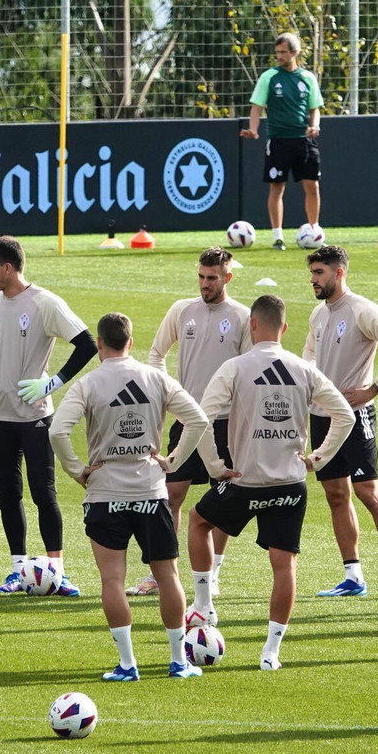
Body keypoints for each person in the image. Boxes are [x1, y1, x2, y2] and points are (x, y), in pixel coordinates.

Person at [187, 295, 353, 669]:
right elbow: (345, 416)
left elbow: (199, 419)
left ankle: (204, 606)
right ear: (285, 328)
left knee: (198, 522)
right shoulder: (303, 368)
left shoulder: (235, 367)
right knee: (284, 566)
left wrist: (214, 467)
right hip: (290, 486)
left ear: (252, 326)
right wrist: (317, 459)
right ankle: (271, 653)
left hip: (245, 482)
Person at [51, 313, 211, 682]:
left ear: (99, 344)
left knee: (112, 580)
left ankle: (127, 664)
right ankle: (177, 661)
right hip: (150, 490)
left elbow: (58, 432)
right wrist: (170, 461)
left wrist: (78, 470)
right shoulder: (156, 378)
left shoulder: (89, 383)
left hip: (105, 491)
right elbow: (199, 420)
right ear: (130, 339)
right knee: (167, 576)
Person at [0, 236, 97, 596]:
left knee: (44, 493)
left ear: (7, 267)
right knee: (8, 493)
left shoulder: (44, 303)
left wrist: (53, 382)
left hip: (36, 416)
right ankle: (18, 570)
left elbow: (87, 343)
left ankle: (57, 571)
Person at [126, 246, 250, 599]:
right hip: (187, 421)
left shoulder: (242, 316)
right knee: (170, 495)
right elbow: (156, 355)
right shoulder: (182, 311)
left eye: (212, 278)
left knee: (223, 498)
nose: (205, 284)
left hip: (227, 423)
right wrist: (171, 396)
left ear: (228, 277)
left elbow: (250, 368)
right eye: (201, 276)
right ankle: (163, 573)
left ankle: (213, 573)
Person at [302, 245, 378, 600]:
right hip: (322, 416)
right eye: (312, 274)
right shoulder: (319, 315)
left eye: (320, 273)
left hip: (354, 417)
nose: (313, 280)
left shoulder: (362, 310)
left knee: (369, 493)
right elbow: (308, 358)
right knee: (336, 495)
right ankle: (353, 576)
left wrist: (375, 388)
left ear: (339, 273)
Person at [241, 33, 325, 250]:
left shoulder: (307, 78)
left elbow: (314, 108)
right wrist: (253, 129)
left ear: (294, 53)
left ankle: (313, 231)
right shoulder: (269, 77)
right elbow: (257, 107)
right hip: (278, 140)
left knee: (312, 186)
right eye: (277, 52)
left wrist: (315, 126)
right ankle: (278, 237)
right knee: (277, 188)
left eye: (283, 52)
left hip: (304, 140)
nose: (278, 56)